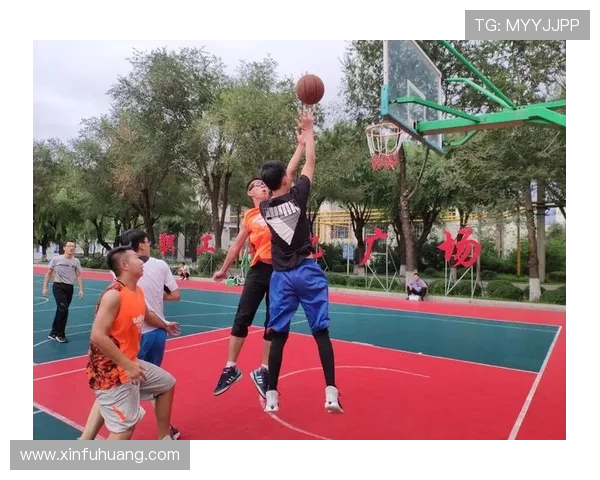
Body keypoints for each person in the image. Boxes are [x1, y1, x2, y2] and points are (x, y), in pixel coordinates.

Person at [258, 110, 343, 414]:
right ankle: (331, 393)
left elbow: (290, 171)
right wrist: (309, 133)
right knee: (320, 332)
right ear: (286, 180)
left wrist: (299, 144)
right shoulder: (298, 198)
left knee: (278, 335)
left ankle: (271, 395)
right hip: (306, 271)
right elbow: (310, 163)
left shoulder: (266, 206)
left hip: (281, 277)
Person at [212, 131, 306, 399]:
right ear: (250, 193)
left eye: (265, 184)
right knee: (242, 316)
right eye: (257, 185)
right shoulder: (250, 217)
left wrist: (300, 145)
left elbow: (288, 173)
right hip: (259, 270)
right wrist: (223, 269)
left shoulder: (278, 203)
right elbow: (236, 245)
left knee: (272, 323)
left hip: (280, 271)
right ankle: (230, 367)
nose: (263, 187)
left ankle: (263, 370)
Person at [79, 230, 182, 440]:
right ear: (124, 265)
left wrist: (165, 325)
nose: (141, 260)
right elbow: (97, 336)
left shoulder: (137, 291)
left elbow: (147, 314)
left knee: (167, 383)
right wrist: (126, 364)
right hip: (111, 371)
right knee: (124, 428)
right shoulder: (113, 295)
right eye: (136, 258)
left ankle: (164, 438)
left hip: (129, 362)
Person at [41, 240, 84, 343]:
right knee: (63, 310)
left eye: (73, 246)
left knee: (61, 310)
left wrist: (81, 289)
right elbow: (49, 273)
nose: (71, 248)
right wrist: (45, 287)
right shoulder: (56, 259)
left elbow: (78, 275)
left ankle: (53, 333)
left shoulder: (76, 261)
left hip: (69, 288)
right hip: (58, 287)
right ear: (64, 248)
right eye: (69, 246)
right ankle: (60, 335)